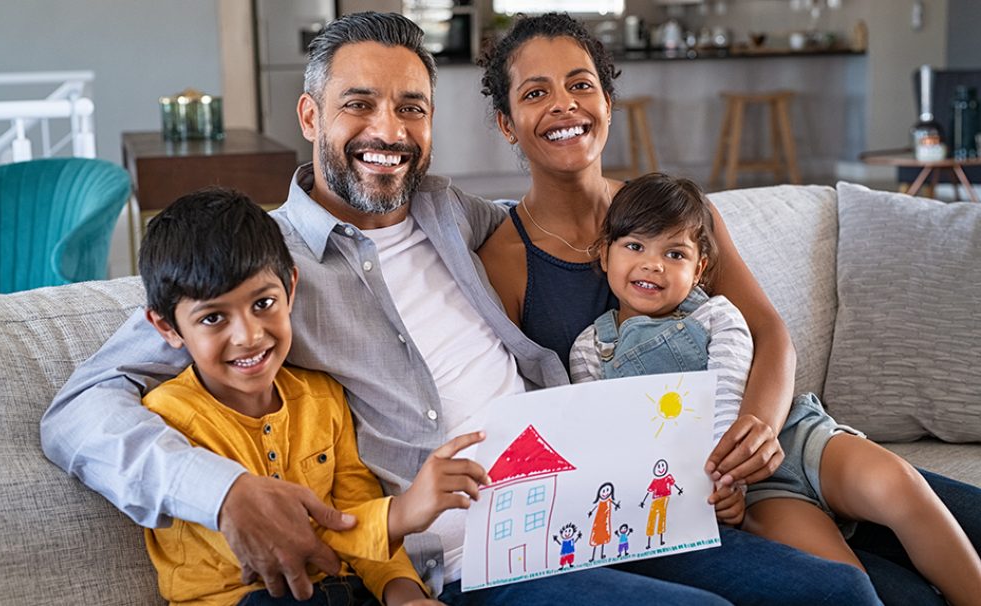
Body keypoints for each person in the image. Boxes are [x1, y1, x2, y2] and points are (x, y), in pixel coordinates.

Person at [41, 12, 730, 606]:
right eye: (358, 104)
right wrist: (222, 493)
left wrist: (666, 229)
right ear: (310, 115)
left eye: (411, 107)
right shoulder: (257, 270)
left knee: (830, 590)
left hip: (589, 502)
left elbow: (572, 231)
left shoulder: (453, 212)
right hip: (467, 559)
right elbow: (78, 411)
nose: (387, 130)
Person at [476, 12, 981, 605]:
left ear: (609, 102)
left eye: (581, 84)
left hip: (781, 440)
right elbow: (550, 423)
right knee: (873, 592)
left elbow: (768, 331)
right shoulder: (504, 259)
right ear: (507, 124)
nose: (564, 105)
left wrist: (761, 432)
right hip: (694, 492)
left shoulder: (680, 213)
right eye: (536, 93)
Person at [569, 172, 981, 605]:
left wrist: (727, 472)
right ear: (603, 254)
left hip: (797, 437)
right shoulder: (591, 350)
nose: (653, 264)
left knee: (898, 484)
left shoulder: (719, 317)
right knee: (841, 581)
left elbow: (727, 400)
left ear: (700, 269)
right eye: (635, 247)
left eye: (675, 253)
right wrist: (720, 492)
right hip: (756, 492)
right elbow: (614, 441)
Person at [136, 187, 496, 605]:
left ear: (290, 287)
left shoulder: (321, 396)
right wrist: (400, 514)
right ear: (167, 328)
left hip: (344, 592)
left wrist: (405, 594)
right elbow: (279, 542)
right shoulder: (169, 418)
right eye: (214, 318)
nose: (249, 336)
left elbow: (358, 502)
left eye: (263, 303)